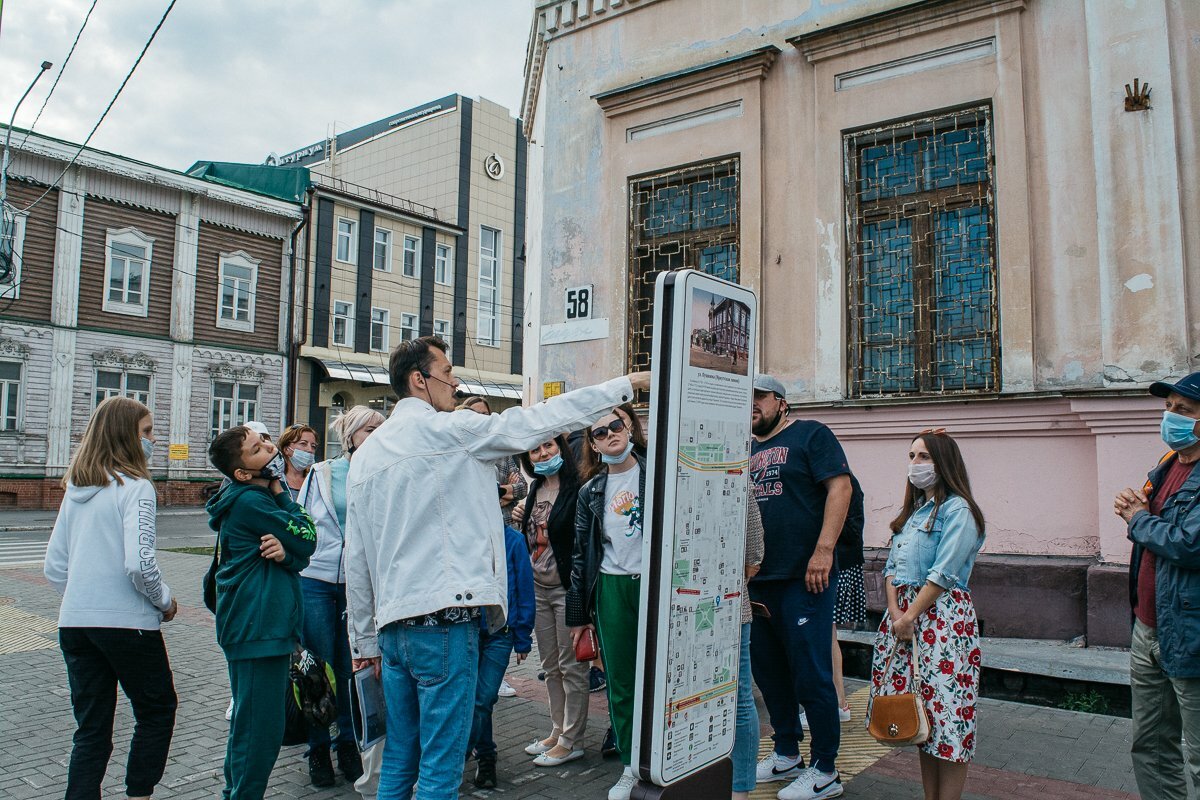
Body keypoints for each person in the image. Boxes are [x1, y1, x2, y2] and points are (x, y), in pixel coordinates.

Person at [343, 335, 648, 800]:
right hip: (444, 622)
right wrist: (621, 386)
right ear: (418, 380)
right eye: (447, 373)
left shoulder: (365, 457)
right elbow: (534, 421)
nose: (455, 383)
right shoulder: (450, 431)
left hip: (392, 630)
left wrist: (364, 641)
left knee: (401, 757)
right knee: (441, 767)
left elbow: (357, 557)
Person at [44, 397, 179, 800]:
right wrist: (166, 602)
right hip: (128, 625)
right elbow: (139, 564)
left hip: (75, 622)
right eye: (148, 432)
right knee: (157, 711)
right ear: (127, 437)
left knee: (91, 729)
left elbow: (54, 566)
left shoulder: (76, 489)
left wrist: (85, 596)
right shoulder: (136, 488)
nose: (154, 439)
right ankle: (139, 793)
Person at [748, 374, 850, 800]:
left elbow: (839, 487)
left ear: (781, 402)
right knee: (769, 674)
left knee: (811, 675)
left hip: (805, 576)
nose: (751, 405)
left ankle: (826, 770)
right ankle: (787, 752)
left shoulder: (812, 434)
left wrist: (824, 550)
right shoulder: (746, 450)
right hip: (758, 580)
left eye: (759, 398)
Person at [869, 429, 985, 800]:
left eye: (923, 457)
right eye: (912, 456)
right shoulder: (915, 511)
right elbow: (891, 567)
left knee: (950, 719)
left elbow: (944, 573)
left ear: (943, 463)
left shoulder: (959, 511)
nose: (914, 464)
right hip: (905, 622)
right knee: (922, 719)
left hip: (943, 625)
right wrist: (895, 613)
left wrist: (910, 615)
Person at [207, 425, 318, 800]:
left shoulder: (250, 498)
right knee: (262, 729)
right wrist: (285, 499)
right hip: (258, 629)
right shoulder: (251, 502)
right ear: (242, 473)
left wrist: (288, 555)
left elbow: (298, 554)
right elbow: (308, 535)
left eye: (266, 442)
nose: (270, 449)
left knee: (248, 723)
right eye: (258, 449)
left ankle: (235, 792)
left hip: (256, 627)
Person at [1116, 371, 1200, 800]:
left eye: (1183, 410)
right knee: (1150, 746)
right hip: (1149, 627)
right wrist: (1142, 511)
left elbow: (1191, 545)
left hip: (1190, 636)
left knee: (1198, 755)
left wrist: (1138, 518)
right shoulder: (1168, 466)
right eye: (1168, 408)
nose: (1170, 418)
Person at [296, 407, 382, 787]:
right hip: (315, 579)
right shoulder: (322, 473)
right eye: (369, 429)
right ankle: (317, 748)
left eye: (382, 428)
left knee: (352, 668)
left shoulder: (383, 472)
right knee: (318, 669)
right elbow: (301, 520)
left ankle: (348, 743)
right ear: (350, 436)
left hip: (358, 583)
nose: (377, 435)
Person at [566, 403, 648, 800]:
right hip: (613, 588)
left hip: (656, 586)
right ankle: (632, 766)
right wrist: (579, 615)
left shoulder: (657, 474)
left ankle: (669, 757)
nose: (611, 434)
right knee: (621, 681)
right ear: (593, 445)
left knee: (662, 676)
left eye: (616, 425)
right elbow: (582, 556)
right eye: (600, 432)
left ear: (629, 427)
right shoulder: (590, 491)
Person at [513, 435, 592, 767]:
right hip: (538, 591)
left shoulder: (579, 491)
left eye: (549, 446)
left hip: (566, 591)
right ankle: (557, 730)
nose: (543, 453)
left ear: (561, 448)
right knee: (550, 667)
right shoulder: (534, 491)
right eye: (535, 449)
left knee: (573, 668)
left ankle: (571, 740)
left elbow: (580, 546)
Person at [469, 523, 535, 788]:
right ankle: (483, 754)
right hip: (468, 630)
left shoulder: (514, 540)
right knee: (473, 697)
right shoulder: (465, 535)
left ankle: (474, 752)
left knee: (483, 698)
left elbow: (524, 588)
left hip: (501, 633)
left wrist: (522, 637)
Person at [733, 483, 766, 800]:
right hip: (682, 617)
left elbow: (754, 555)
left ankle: (739, 790)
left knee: (740, 698)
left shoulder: (737, 477)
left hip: (731, 609)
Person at [461, 395, 529, 527]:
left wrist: (497, 494)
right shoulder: (461, 454)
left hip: (507, 526)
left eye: (485, 414)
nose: (481, 419)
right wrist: (503, 494)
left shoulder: (501, 451)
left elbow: (523, 488)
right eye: (475, 414)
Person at [278, 423, 319, 501]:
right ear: (286, 449)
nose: (310, 450)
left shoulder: (316, 480)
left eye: (313, 446)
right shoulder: (276, 480)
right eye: (303, 444)